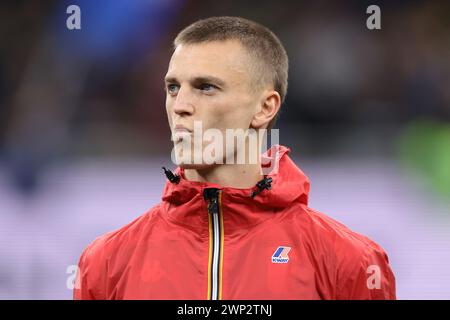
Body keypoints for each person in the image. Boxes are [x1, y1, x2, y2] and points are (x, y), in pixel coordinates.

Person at [73, 16, 396, 300]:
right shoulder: (105, 262)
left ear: (265, 107)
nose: (180, 105)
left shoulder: (350, 261)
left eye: (206, 87)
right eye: (173, 87)